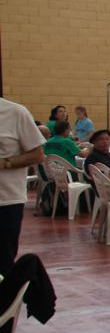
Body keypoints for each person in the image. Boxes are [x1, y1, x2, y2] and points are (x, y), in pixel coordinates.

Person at [0, 96, 45, 274]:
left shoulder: (15, 112)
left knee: (3, 264)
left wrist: (5, 163)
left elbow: (37, 155)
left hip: (6, 202)